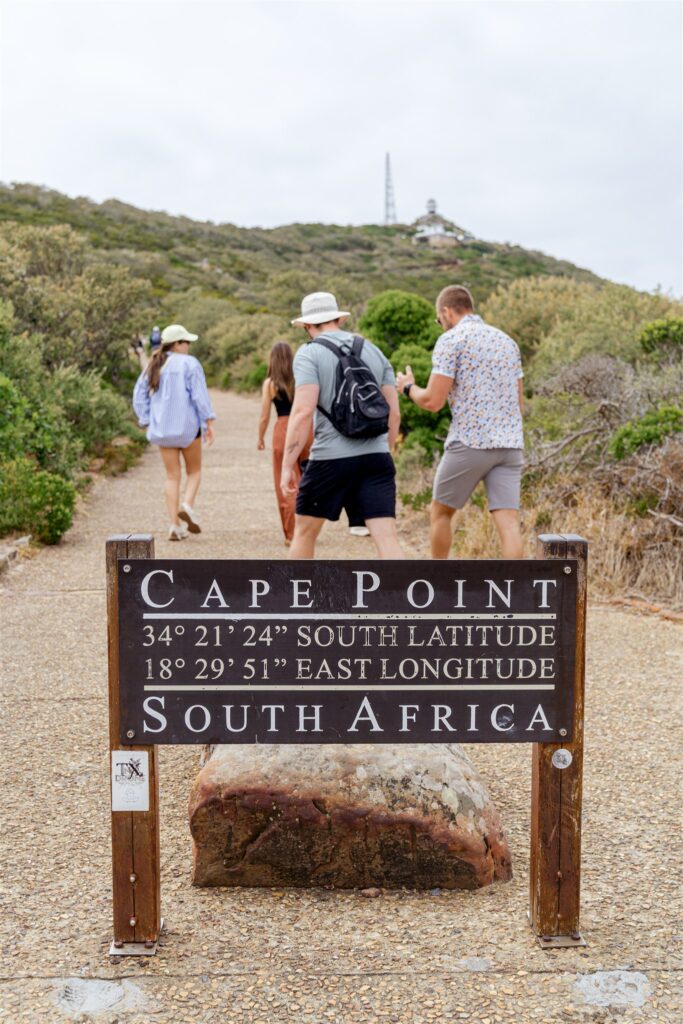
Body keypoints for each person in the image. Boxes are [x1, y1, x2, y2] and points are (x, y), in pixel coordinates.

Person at [396, 285, 524, 560]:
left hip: (470, 442)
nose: (440, 325)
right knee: (509, 523)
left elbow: (433, 401)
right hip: (511, 444)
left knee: (440, 513)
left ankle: (438, 584)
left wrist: (408, 388)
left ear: (446, 312)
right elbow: (519, 403)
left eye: (438, 320)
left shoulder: (452, 340)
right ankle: (513, 596)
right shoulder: (507, 342)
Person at [282, 291, 404, 560]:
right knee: (387, 537)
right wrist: (386, 451)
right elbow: (393, 414)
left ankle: (294, 598)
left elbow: (302, 412)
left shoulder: (308, 354)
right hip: (376, 457)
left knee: (305, 534)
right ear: (338, 318)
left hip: (330, 459)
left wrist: (287, 465)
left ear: (307, 325)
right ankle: (402, 599)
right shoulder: (373, 350)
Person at [133, 324, 216, 541]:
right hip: (188, 428)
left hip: (163, 429)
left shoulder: (154, 364)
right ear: (177, 344)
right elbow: (199, 397)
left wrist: (146, 420)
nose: (188, 346)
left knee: (172, 477)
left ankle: (174, 526)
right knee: (194, 472)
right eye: (186, 342)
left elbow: (139, 395)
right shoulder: (190, 364)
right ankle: (187, 506)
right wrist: (208, 423)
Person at [257, 341, 311, 545]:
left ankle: (292, 534)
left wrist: (260, 437)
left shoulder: (270, 383)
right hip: (306, 428)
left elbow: (264, 416)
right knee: (307, 481)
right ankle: (308, 529)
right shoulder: (301, 378)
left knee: (287, 482)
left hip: (283, 429)